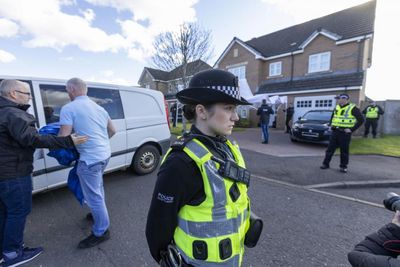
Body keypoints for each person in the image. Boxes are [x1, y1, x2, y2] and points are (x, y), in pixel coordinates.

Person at [146, 69, 262, 266]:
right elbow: (158, 229)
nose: (235, 117)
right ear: (201, 111)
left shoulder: (227, 148)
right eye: (228, 108)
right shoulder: (180, 163)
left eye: (234, 109)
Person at [0, 79, 87, 266]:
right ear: (13, 94)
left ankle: (6, 248)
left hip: (4, 173)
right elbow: (32, 138)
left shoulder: (4, 112)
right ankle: (12, 254)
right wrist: (67, 141)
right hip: (13, 174)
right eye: (26, 94)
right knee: (18, 212)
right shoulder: (13, 113)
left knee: (5, 212)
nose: (29, 98)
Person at [58, 78, 116, 249]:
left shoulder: (68, 108)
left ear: (72, 90)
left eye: (68, 91)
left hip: (90, 159)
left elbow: (63, 138)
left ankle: (101, 231)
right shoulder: (100, 108)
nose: (68, 94)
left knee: (94, 196)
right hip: (104, 155)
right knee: (98, 189)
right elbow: (113, 130)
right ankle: (99, 216)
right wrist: (100, 142)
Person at [320, 93, 364, 173]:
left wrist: (351, 129)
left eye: (339, 98)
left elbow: (361, 120)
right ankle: (325, 164)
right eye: (337, 99)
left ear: (344, 99)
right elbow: (333, 117)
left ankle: (343, 167)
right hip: (335, 132)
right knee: (330, 149)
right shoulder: (337, 107)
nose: (337, 100)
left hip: (345, 133)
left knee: (344, 151)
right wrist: (330, 125)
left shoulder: (353, 108)